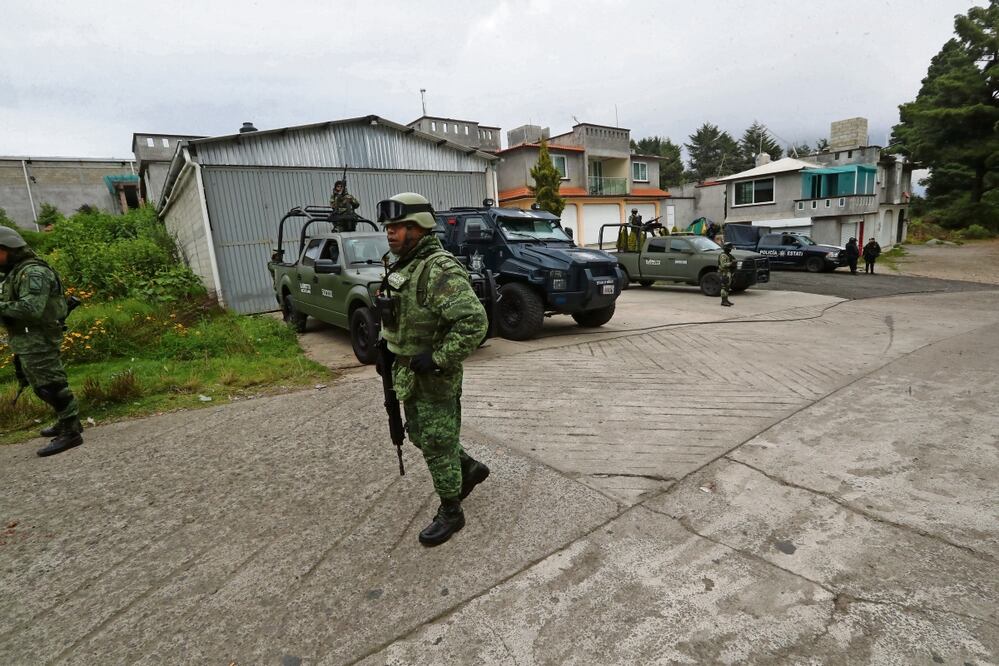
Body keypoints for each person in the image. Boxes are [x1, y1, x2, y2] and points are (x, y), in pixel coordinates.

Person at [377, 192, 490, 547]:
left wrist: (439, 357)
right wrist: (387, 346)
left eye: (399, 226)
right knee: (421, 435)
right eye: (388, 227)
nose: (390, 233)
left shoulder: (439, 269)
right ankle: (469, 469)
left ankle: (452, 511)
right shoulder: (401, 264)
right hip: (406, 369)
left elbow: (473, 322)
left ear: (420, 228)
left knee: (438, 442)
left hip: (433, 375)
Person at [0, 227, 83, 457]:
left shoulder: (33, 272)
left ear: (8, 249)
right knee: (41, 384)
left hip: (39, 337)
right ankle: (66, 420)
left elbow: (31, 308)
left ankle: (71, 431)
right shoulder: (16, 272)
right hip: (27, 338)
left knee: (52, 385)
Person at [718, 242, 735, 307]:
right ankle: (723, 301)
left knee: (727, 287)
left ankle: (726, 300)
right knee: (724, 287)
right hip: (724, 273)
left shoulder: (728, 255)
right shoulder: (723, 255)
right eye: (729, 248)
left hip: (728, 272)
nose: (730, 249)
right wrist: (731, 264)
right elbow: (723, 265)